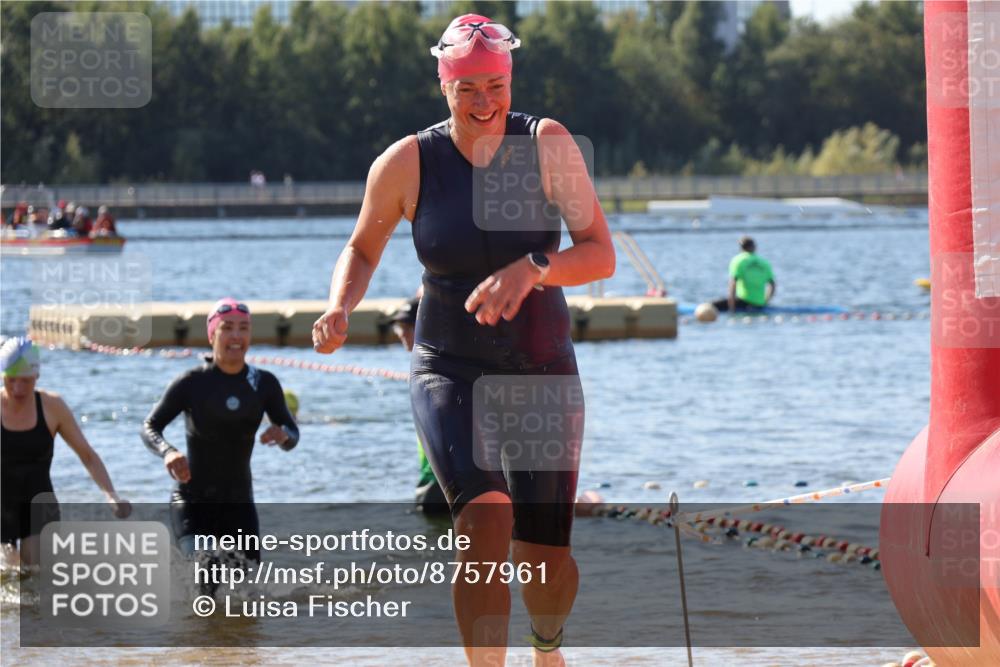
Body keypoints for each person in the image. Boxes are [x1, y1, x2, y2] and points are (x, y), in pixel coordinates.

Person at [313, 14, 615, 666]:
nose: (484, 103)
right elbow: (362, 247)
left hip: (541, 368)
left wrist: (535, 267)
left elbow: (599, 254)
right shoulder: (408, 161)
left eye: (495, 87)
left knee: (546, 563)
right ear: (443, 85)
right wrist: (340, 305)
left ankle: (547, 647)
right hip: (449, 366)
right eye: (467, 88)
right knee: (484, 522)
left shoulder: (547, 144)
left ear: (510, 81)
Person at [141, 298, 299, 564]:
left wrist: (283, 435)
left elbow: (292, 433)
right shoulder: (191, 383)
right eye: (227, 327)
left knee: (249, 585)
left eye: (243, 328)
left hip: (239, 505)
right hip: (192, 502)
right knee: (206, 568)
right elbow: (150, 426)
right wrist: (168, 452)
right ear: (212, 334)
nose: (236, 336)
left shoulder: (264, 384)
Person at [1, 337, 130, 568]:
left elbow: (87, 456)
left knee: (34, 574)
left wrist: (111, 495)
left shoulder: (52, 407)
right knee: (8, 570)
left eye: (25, 380)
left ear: (37, 375)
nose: (18, 388)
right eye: (11, 380)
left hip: (39, 504)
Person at [390, 296, 448, 515]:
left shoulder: (443, 370)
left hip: (446, 485)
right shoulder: (419, 367)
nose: (402, 333)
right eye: (399, 327)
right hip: (431, 486)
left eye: (408, 327)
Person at [712, 235, 776, 312]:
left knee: (708, 306)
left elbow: (733, 284)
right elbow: (772, 285)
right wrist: (765, 302)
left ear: (741, 247)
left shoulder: (738, 260)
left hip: (743, 302)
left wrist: (732, 308)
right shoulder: (764, 262)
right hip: (760, 304)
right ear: (754, 247)